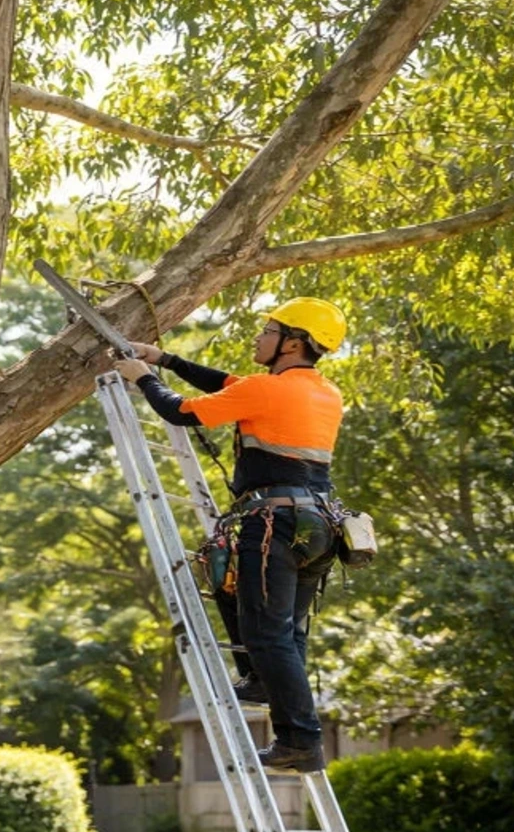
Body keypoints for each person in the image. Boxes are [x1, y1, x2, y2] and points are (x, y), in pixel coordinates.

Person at [112, 299, 347, 772]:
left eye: (268, 330)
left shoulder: (267, 390)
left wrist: (143, 376)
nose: (258, 337)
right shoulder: (323, 392)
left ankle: (301, 741)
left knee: (268, 635)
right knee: (280, 630)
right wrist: (166, 360)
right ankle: (261, 683)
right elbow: (226, 384)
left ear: (293, 343)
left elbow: (181, 412)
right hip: (319, 526)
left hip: (275, 524)